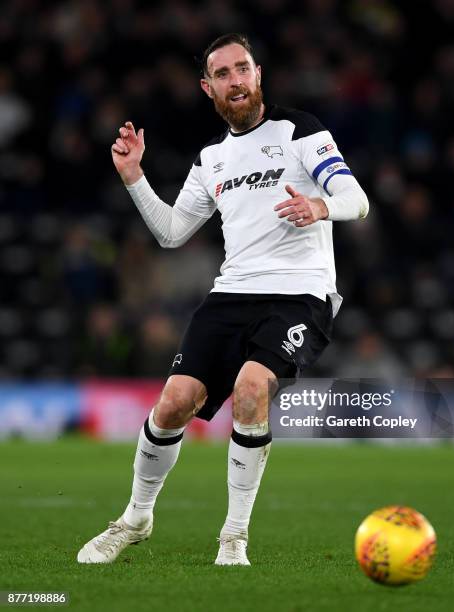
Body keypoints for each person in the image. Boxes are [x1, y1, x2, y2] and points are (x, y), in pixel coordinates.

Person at [77, 33, 369, 566]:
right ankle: (136, 518)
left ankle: (233, 539)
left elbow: (356, 198)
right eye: (224, 73)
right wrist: (135, 178)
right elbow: (170, 233)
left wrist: (321, 208)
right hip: (231, 294)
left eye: (243, 68)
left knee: (250, 389)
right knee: (171, 404)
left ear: (259, 75)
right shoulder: (211, 158)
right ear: (207, 87)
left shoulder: (300, 131)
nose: (236, 80)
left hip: (297, 293)